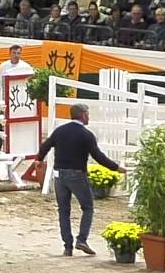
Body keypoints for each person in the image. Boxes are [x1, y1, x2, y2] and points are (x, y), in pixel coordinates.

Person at [35, 103, 125, 256]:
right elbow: (98, 156)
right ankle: (82, 239)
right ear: (83, 115)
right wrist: (116, 168)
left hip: (59, 175)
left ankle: (67, 246)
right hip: (77, 174)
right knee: (87, 207)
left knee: (63, 210)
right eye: (88, 114)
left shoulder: (60, 131)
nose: (89, 117)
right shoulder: (86, 134)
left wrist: (39, 159)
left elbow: (46, 145)